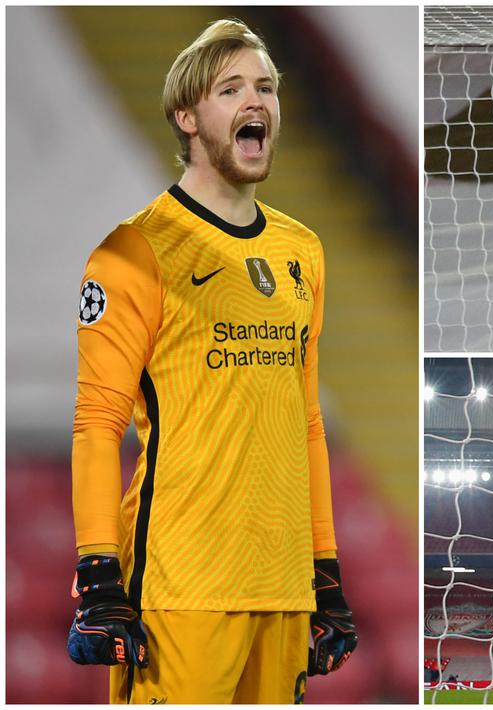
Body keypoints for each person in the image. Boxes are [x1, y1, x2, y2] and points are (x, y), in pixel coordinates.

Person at [68, 19, 357, 703]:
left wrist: (324, 569)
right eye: (231, 89)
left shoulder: (303, 251)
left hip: (283, 590)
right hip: (180, 586)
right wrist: (98, 571)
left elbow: (306, 422)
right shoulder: (133, 251)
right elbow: (96, 422)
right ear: (188, 116)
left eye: (266, 87)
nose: (255, 101)